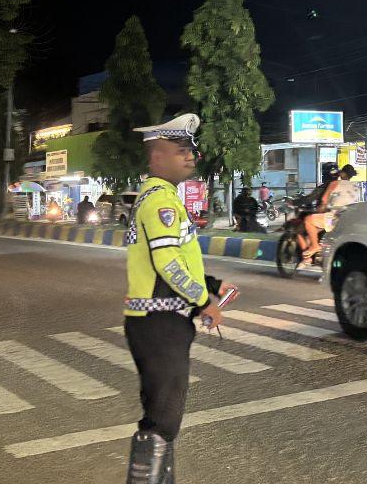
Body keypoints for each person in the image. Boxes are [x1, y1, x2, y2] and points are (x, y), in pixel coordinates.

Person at [123, 113, 236, 484]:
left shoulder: (162, 197)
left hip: (158, 320)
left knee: (162, 416)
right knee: (164, 418)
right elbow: (167, 263)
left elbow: (177, 259)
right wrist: (205, 301)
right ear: (157, 157)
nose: (191, 156)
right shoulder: (160, 203)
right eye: (181, 150)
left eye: (191, 149)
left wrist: (212, 283)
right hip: (159, 322)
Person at [301, 164, 359, 265]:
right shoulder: (356, 186)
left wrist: (318, 211)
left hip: (334, 218)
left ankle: (315, 246)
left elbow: (323, 202)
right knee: (319, 227)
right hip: (350, 218)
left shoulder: (335, 184)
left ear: (342, 173)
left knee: (308, 220)